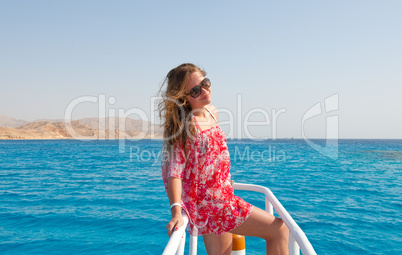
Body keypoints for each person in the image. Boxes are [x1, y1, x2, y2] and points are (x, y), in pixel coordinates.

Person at [158, 63, 289, 255]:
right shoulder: (185, 127)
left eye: (205, 83)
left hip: (222, 196)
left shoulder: (212, 111)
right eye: (195, 90)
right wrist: (176, 211)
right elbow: (174, 174)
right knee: (279, 230)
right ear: (183, 98)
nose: (204, 91)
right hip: (212, 205)